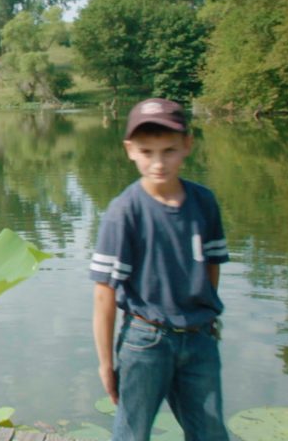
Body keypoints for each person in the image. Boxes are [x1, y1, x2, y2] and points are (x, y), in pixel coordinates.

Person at [89, 98, 230, 441]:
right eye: (147, 151)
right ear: (130, 150)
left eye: (168, 150)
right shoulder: (124, 211)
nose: (158, 163)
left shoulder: (203, 202)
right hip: (144, 341)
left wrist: (206, 317)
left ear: (187, 145)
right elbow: (103, 295)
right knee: (133, 433)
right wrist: (106, 363)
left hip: (199, 339)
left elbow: (211, 268)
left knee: (210, 432)